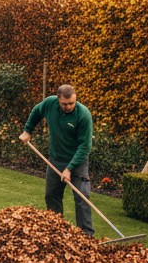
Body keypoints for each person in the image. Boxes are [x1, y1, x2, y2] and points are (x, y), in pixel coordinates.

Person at [18, 84, 94, 235]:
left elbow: (85, 147)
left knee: (82, 198)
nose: (68, 106)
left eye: (71, 103)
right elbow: (36, 112)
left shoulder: (83, 115)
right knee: (52, 195)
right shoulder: (49, 103)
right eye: (65, 104)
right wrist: (27, 130)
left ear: (75, 99)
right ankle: (56, 230)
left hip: (77, 162)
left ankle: (86, 235)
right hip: (55, 159)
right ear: (58, 99)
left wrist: (69, 169)